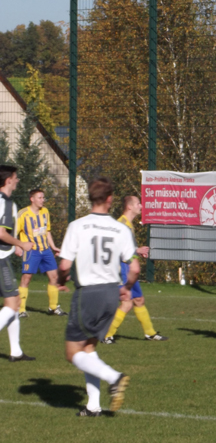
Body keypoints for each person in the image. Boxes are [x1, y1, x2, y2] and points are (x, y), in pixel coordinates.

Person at [57, 178, 136, 416]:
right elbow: (134, 268)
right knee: (89, 347)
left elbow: (64, 266)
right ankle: (93, 406)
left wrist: (61, 281)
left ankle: (115, 377)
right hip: (111, 293)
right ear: (110, 199)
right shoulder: (120, 228)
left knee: (72, 353)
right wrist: (126, 287)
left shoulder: (77, 226)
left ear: (91, 197)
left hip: (88, 294)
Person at [101, 195, 167, 343]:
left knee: (139, 300)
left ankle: (150, 333)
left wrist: (137, 250)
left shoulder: (128, 224)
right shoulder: (121, 225)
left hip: (129, 267)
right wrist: (136, 251)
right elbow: (115, 248)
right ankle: (107, 335)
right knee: (127, 303)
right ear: (129, 206)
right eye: (138, 204)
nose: (141, 206)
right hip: (123, 268)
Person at [0, 165, 36, 362]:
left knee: (11, 303)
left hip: (4, 254)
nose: (17, 180)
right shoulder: (5, 203)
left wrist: (14, 246)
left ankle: (16, 352)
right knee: (14, 304)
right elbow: (1, 233)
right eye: (15, 177)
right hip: (0, 258)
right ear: (8, 181)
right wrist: (21, 243)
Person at [16, 188, 66, 317]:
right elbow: (13, 232)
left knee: (54, 277)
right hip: (31, 251)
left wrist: (53, 246)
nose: (42, 200)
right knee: (26, 279)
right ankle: (21, 310)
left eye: (43, 197)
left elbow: (47, 231)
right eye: (40, 197)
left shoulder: (45, 212)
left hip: (46, 250)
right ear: (32, 199)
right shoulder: (23, 214)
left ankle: (53, 307)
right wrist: (18, 246)